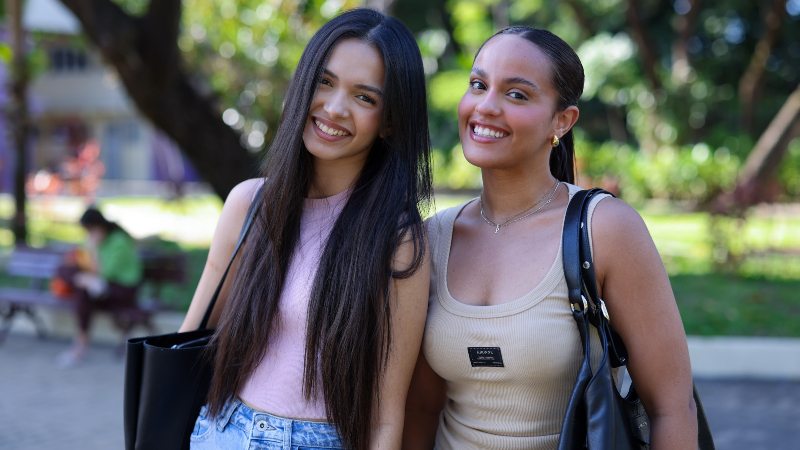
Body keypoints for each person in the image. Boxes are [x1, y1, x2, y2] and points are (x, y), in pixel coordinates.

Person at [402, 27, 698, 450]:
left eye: (517, 94)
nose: (486, 107)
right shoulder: (434, 236)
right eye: (479, 85)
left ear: (562, 120)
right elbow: (422, 408)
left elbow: (671, 408)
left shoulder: (604, 228)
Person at [178, 8, 432, 450]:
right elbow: (189, 343)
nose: (334, 108)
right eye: (325, 81)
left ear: (390, 121)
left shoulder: (397, 238)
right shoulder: (250, 204)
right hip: (220, 432)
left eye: (364, 97)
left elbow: (385, 415)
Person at [58, 207, 142, 365]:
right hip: (103, 288)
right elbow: (88, 268)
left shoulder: (119, 241)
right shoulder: (94, 240)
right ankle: (81, 344)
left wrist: (93, 249)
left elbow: (104, 273)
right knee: (73, 279)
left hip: (123, 290)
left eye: (90, 229)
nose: (89, 234)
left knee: (83, 293)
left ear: (99, 226)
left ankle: (80, 346)